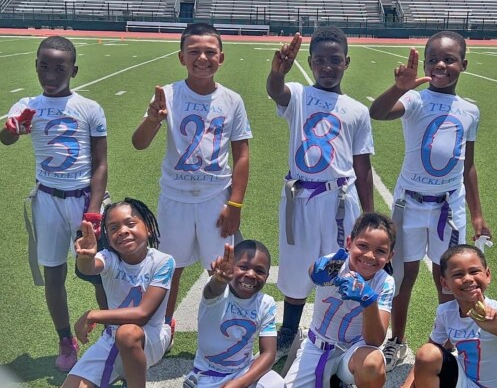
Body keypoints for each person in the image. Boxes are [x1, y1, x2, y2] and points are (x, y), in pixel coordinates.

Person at [369, 30, 491, 372]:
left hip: (448, 208)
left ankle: (447, 344)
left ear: (463, 65)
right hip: (409, 204)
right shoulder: (415, 100)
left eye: (449, 59)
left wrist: (477, 214)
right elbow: (377, 112)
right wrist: (400, 87)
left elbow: (468, 165)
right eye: (433, 58)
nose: (441, 65)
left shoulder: (470, 110)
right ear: (424, 63)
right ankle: (397, 339)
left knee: (447, 277)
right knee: (403, 276)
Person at [132, 22, 252, 348]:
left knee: (222, 269)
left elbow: (241, 154)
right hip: (176, 197)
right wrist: (154, 119)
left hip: (216, 196)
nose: (202, 58)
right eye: (194, 51)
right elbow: (139, 143)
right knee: (170, 268)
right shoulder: (168, 95)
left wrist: (235, 204)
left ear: (221, 58)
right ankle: (161, 331)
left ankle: (222, 333)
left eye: (210, 52)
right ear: (181, 57)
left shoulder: (231, 100)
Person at [0, 36, 108, 372]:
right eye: (44, 65)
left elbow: (100, 164)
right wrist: (13, 128)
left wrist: (93, 211)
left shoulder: (89, 108)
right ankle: (65, 338)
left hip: (83, 201)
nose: (50, 73)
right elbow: (7, 136)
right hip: (47, 199)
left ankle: (111, 332)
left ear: (73, 70)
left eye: (59, 67)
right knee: (54, 274)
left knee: (100, 275)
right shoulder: (27, 104)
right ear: (35, 65)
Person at [266, 26, 374, 361]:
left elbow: (363, 166)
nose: (328, 66)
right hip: (300, 197)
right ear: (311, 63)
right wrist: (276, 72)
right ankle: (289, 329)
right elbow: (276, 91)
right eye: (321, 61)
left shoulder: (357, 110)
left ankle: (336, 332)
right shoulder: (298, 94)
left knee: (340, 266)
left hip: (340, 199)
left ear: (347, 63)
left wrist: (369, 219)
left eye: (335, 60)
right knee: (298, 265)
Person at [62, 198, 175, 388]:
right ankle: (124, 371)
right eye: (113, 228)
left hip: (149, 338)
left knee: (127, 333)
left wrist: (93, 315)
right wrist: (85, 256)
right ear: (108, 237)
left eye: (130, 223)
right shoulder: (109, 258)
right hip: (111, 340)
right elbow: (89, 268)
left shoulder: (163, 261)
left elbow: (142, 314)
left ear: (148, 228)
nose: (122, 231)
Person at [283, 212, 395, 388]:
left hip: (353, 352)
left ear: (390, 256)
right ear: (349, 243)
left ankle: (345, 379)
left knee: (372, 364)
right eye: (363, 246)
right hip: (317, 346)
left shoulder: (385, 282)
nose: (369, 256)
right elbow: (315, 271)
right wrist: (316, 272)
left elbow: (375, 341)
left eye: (380, 251)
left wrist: (369, 301)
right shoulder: (335, 263)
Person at [402, 244, 497, 388]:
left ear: (487, 275)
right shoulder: (445, 312)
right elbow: (428, 352)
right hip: (466, 383)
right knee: (428, 353)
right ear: (444, 283)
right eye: (458, 274)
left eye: (474, 271)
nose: (468, 278)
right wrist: (406, 386)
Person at [183, 240, 285, 388]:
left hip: (241, 372)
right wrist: (219, 280)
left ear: (267, 276)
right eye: (243, 267)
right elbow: (213, 289)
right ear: (231, 267)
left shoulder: (266, 303)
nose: (251, 274)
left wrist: (239, 383)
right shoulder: (218, 293)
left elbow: (268, 354)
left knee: (275, 383)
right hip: (207, 374)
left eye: (260, 271)